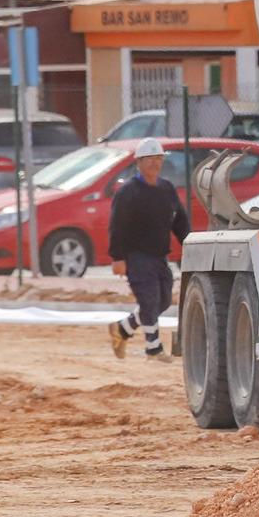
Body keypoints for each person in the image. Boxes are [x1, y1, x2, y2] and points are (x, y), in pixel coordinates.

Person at [107, 137, 190, 361]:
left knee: (162, 301)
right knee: (149, 299)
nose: (155, 163)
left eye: (158, 158)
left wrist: (190, 244)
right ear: (139, 163)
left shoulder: (166, 189)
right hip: (136, 256)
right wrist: (117, 257)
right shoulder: (128, 192)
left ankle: (123, 328)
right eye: (149, 159)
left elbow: (179, 221)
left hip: (159, 256)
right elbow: (116, 225)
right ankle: (153, 348)